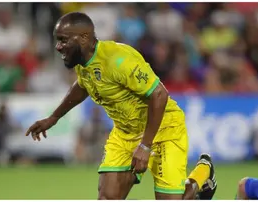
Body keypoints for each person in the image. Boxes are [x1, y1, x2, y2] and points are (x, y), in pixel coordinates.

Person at [25, 12, 217, 200]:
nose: (58, 46)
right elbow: (83, 85)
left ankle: (202, 173)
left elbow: (159, 95)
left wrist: (145, 146)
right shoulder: (82, 61)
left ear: (83, 38)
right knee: (108, 198)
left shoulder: (119, 60)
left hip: (164, 129)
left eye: (63, 40)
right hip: (125, 133)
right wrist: (54, 117)